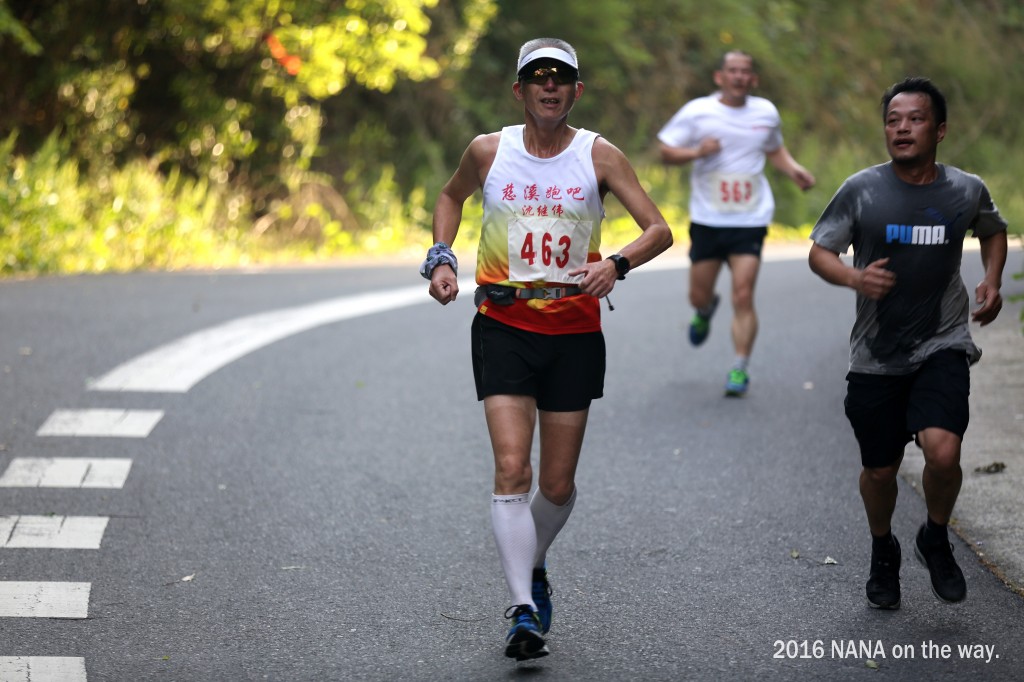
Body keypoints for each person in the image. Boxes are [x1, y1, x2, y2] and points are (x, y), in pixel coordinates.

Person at [423, 38, 672, 660]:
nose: (550, 87)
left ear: (576, 91)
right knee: (514, 469)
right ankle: (523, 610)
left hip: (575, 333)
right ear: (520, 91)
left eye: (561, 78)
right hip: (504, 325)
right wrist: (442, 258)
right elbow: (450, 196)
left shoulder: (599, 155)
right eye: (538, 78)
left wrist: (617, 263)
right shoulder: (489, 151)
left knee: (557, 485)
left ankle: (531, 566)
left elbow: (660, 230)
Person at [808, 76, 1008, 610]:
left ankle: (934, 536)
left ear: (939, 130)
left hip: (942, 341)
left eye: (914, 119)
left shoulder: (965, 189)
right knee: (880, 469)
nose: (901, 128)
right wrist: (854, 278)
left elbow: (992, 228)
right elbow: (820, 252)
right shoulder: (861, 190)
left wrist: (992, 279)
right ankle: (883, 549)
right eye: (893, 120)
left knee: (944, 451)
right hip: (875, 354)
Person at [657, 50, 815, 396]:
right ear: (719, 77)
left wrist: (793, 170)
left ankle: (740, 366)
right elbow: (665, 151)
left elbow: (774, 149)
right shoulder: (699, 111)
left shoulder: (766, 113)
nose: (739, 76)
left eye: (746, 71)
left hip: (750, 218)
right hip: (708, 219)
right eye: (733, 71)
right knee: (698, 294)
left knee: (743, 295)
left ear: (753, 78)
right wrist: (697, 152)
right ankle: (704, 309)